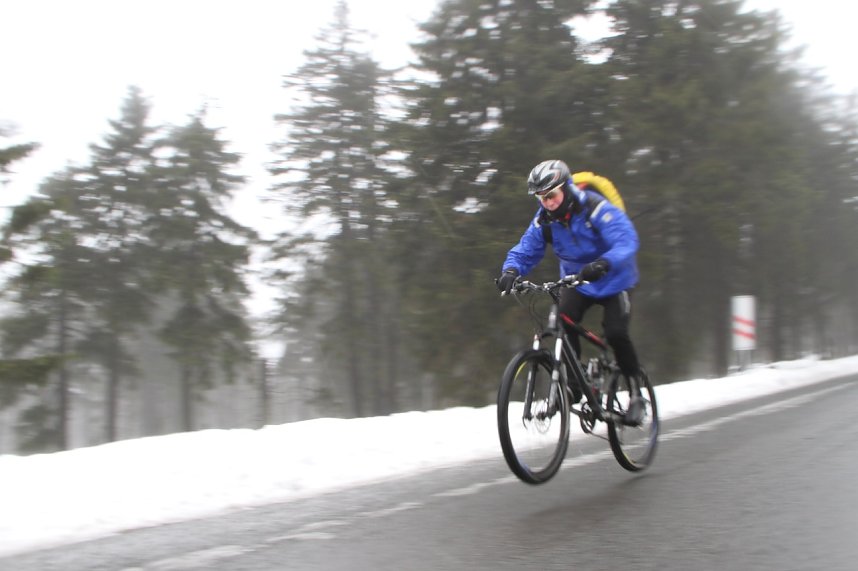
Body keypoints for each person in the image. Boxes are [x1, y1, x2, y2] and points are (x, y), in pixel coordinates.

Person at [496, 159, 644, 423]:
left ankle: (636, 395)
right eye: (542, 198)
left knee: (616, 333)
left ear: (565, 188)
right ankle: (576, 386)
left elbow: (626, 239)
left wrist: (604, 262)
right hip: (578, 282)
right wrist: (510, 271)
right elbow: (526, 249)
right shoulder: (544, 221)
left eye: (551, 195)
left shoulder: (593, 207)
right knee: (561, 321)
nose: (548, 202)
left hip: (615, 279)